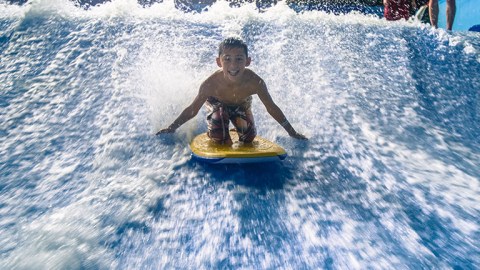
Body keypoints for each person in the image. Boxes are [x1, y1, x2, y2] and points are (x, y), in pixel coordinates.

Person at [156, 37, 307, 144]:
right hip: (217, 104)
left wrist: (291, 132)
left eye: (239, 59)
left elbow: (271, 107)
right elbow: (192, 109)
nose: (233, 65)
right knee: (220, 132)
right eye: (227, 59)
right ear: (218, 62)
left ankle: (233, 125)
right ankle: (216, 129)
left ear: (248, 61)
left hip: (241, 105)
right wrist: (172, 128)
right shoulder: (210, 84)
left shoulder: (256, 82)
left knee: (248, 138)